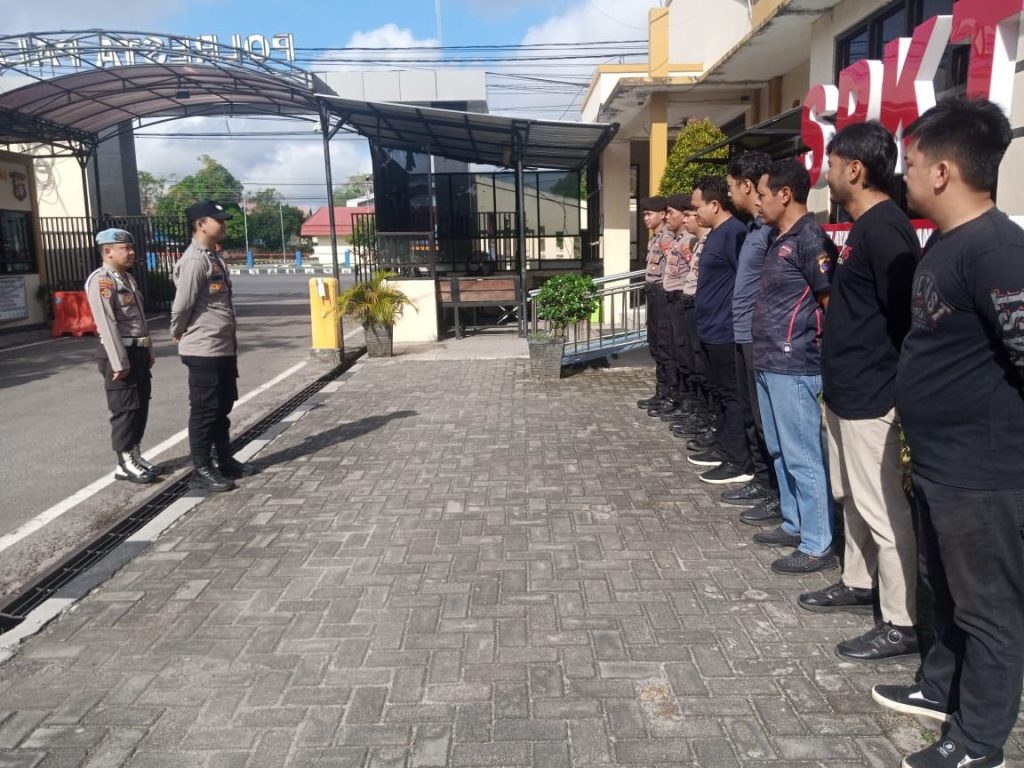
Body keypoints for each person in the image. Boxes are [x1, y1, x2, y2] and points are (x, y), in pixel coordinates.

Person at [872, 97, 1024, 768]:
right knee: (944, 587)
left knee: (988, 605)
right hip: (938, 462)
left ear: (942, 171)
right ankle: (940, 689)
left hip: (982, 472)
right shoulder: (946, 241)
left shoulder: (998, 250)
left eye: (910, 163)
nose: (902, 175)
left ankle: (980, 739)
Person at [801, 121, 921, 663]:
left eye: (830, 165)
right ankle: (858, 580)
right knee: (850, 495)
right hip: (845, 390)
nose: (824, 174)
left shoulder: (886, 228)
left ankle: (902, 621)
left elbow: (904, 318)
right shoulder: (862, 227)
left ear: (855, 169)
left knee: (882, 508)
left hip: (873, 392)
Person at [751, 159, 837, 574]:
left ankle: (818, 544)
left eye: (763, 194)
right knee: (779, 450)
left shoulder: (810, 239)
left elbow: (829, 304)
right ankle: (794, 522)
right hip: (768, 361)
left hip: (795, 364)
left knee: (803, 455)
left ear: (785, 195)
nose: (758, 202)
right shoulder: (777, 237)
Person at [171, 199, 257, 492]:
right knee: (205, 411)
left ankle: (224, 459)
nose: (223, 224)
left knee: (222, 408)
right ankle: (201, 469)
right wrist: (177, 331)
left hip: (222, 346)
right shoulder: (195, 260)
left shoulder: (213, 256)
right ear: (200, 224)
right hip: (203, 348)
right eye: (217, 220)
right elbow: (182, 304)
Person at [85, 228, 164, 484]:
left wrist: (148, 350)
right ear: (107, 251)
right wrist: (120, 361)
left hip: (137, 350)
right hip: (119, 353)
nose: (131, 252)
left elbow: (139, 320)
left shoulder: (127, 279)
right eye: (125, 248)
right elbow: (107, 324)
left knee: (140, 405)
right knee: (125, 408)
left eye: (131, 248)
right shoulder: (102, 281)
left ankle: (135, 454)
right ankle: (124, 460)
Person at [687, 176, 753, 485]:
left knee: (731, 396)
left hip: (726, 331)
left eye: (696, 207)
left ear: (714, 205)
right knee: (719, 393)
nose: (694, 213)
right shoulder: (716, 234)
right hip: (709, 328)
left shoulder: (734, 233)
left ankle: (739, 461)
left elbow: (744, 282)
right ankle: (724, 448)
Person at [724, 152, 780, 518]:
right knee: (751, 415)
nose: (730, 194)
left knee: (764, 421)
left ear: (747, 185)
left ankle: (775, 493)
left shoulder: (771, 232)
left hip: (757, 337)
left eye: (731, 187)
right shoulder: (754, 229)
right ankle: (761, 482)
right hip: (741, 333)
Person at [635, 197, 680, 415]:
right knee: (655, 344)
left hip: (663, 295)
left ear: (662, 215)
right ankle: (661, 392)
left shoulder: (667, 239)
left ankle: (672, 394)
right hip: (653, 295)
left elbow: (674, 267)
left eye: (649, 214)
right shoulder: (655, 239)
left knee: (665, 345)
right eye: (644, 214)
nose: (645, 218)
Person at [660, 195, 699, 419]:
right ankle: (680, 398)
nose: (667, 217)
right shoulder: (678, 240)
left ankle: (690, 402)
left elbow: (694, 271)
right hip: (673, 300)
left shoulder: (689, 242)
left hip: (684, 301)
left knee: (686, 355)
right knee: (675, 351)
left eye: (671, 213)